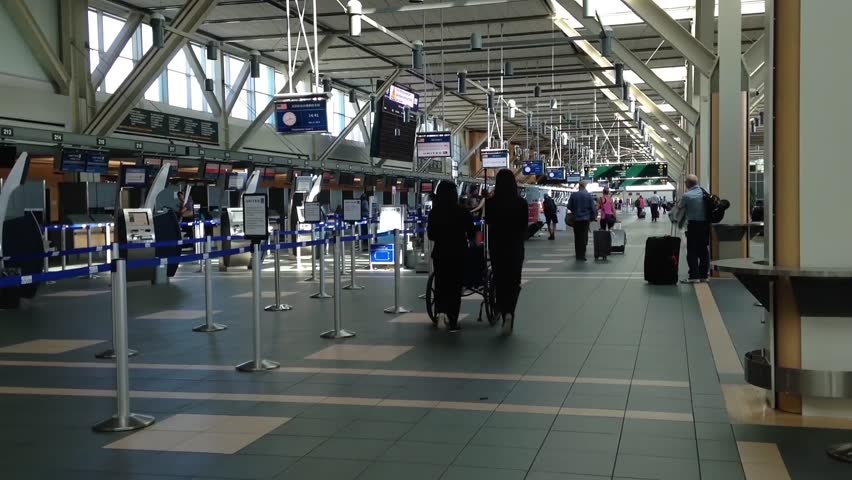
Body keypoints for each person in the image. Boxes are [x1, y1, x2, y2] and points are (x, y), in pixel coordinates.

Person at [485, 169, 528, 335]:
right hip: (515, 247)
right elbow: (524, 227)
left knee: (500, 281)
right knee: (514, 282)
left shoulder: (491, 203)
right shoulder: (521, 203)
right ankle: (510, 312)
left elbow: (488, 222)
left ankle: (504, 314)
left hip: (497, 247)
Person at [427, 182, 474, 332]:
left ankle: (440, 314)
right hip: (458, 253)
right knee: (455, 287)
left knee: (441, 284)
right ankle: (453, 321)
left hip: (440, 253)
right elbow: (472, 233)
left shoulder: (434, 212)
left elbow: (431, 235)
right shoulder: (463, 211)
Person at [678, 174, 711, 283]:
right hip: (705, 226)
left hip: (693, 225)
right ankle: (704, 275)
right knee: (703, 251)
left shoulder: (687, 196)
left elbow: (679, 209)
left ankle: (694, 276)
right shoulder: (705, 193)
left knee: (692, 251)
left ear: (687, 183)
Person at [566, 180, 596, 261]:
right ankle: (582, 254)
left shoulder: (573, 195)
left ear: (579, 186)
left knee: (577, 237)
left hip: (576, 219)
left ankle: (578, 254)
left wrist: (575, 210)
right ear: (585, 186)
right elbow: (593, 208)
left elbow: (569, 206)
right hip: (585, 220)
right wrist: (593, 217)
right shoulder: (588, 195)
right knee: (584, 237)